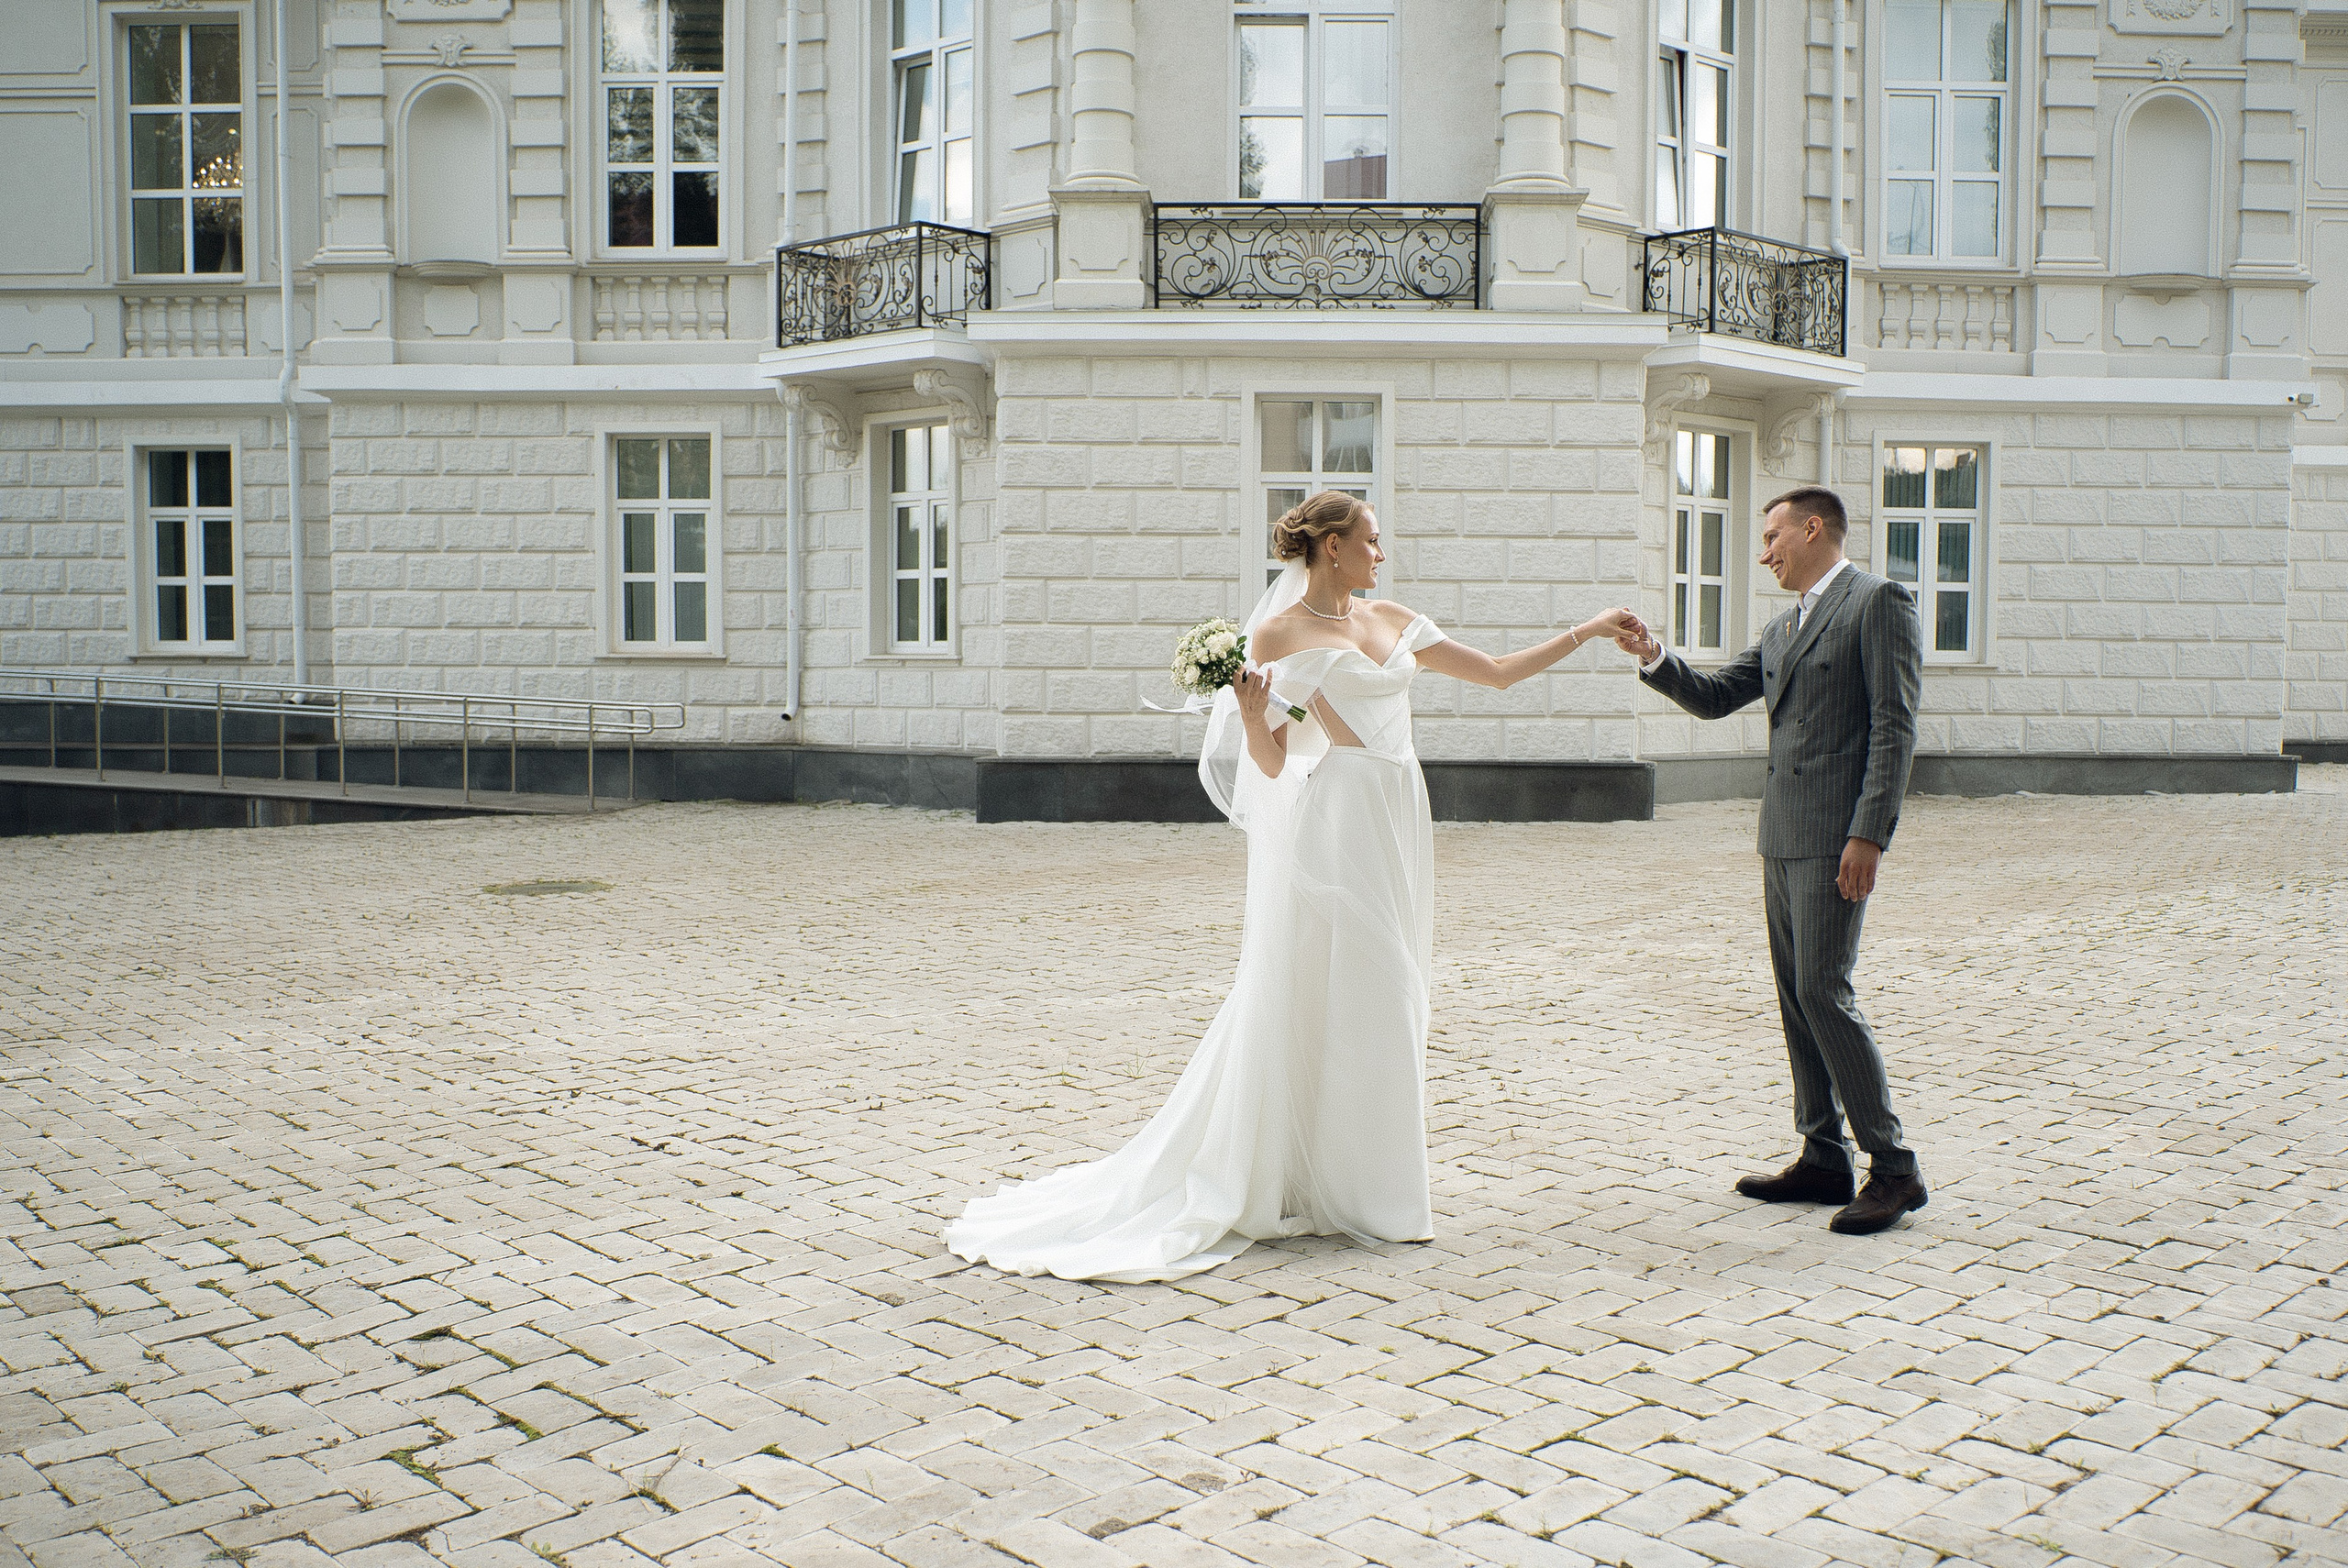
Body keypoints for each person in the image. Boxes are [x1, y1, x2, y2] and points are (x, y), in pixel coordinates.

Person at [945, 491, 1644, 1282]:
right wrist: (1250, 716)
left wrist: (1591, 629)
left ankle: (1354, 1181)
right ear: (1332, 546)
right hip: (1334, 820)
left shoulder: (1394, 619)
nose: (1382, 553)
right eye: (1372, 540)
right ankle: (1363, 1196)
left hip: (1398, 810)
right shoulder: (1278, 634)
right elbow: (1274, 762)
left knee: (1390, 991)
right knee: (1355, 987)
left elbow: (1499, 675)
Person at [1615, 485, 1927, 1235]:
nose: (1764, 554)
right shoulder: (1783, 626)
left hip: (1835, 838)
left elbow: (1894, 727)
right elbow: (1717, 695)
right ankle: (1823, 1156)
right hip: (1781, 834)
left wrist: (1869, 835)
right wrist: (1654, 655)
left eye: (1772, 538)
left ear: (1813, 529)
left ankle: (1894, 1168)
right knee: (1796, 997)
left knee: (1825, 989)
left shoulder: (1876, 602)